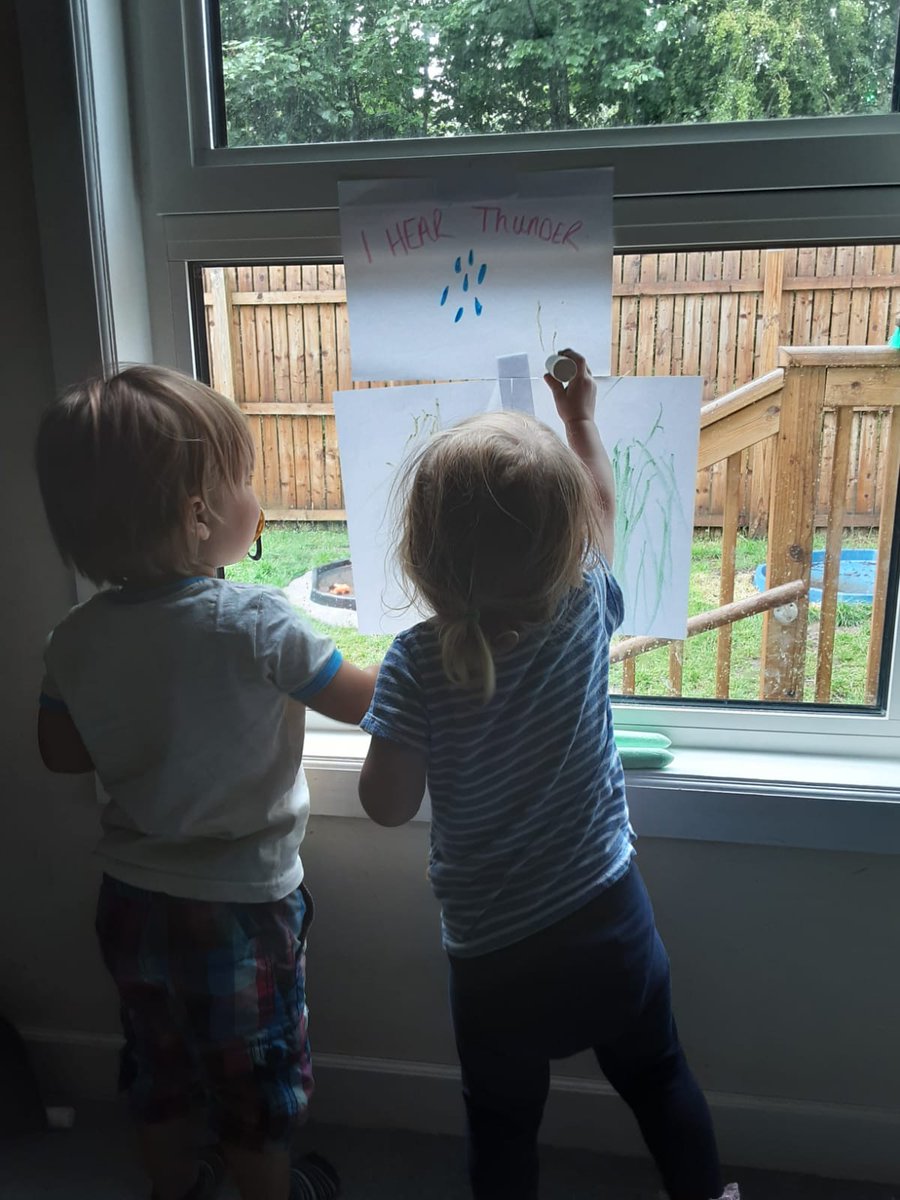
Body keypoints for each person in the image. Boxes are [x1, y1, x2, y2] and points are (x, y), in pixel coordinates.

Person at [357, 350, 738, 1200]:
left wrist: (393, 731)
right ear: (565, 544)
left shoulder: (416, 663)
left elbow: (386, 806)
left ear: (423, 553)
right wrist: (580, 423)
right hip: (608, 920)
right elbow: (602, 507)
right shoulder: (585, 604)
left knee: (502, 1126)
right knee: (661, 1078)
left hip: (493, 956)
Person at [35, 365, 375, 1200]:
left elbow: (61, 753)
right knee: (254, 1082)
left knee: (159, 1067)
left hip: (131, 899)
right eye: (244, 485)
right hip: (241, 907)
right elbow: (366, 703)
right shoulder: (253, 622)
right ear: (200, 518)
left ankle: (174, 1190)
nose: (256, 500)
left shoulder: (72, 639)